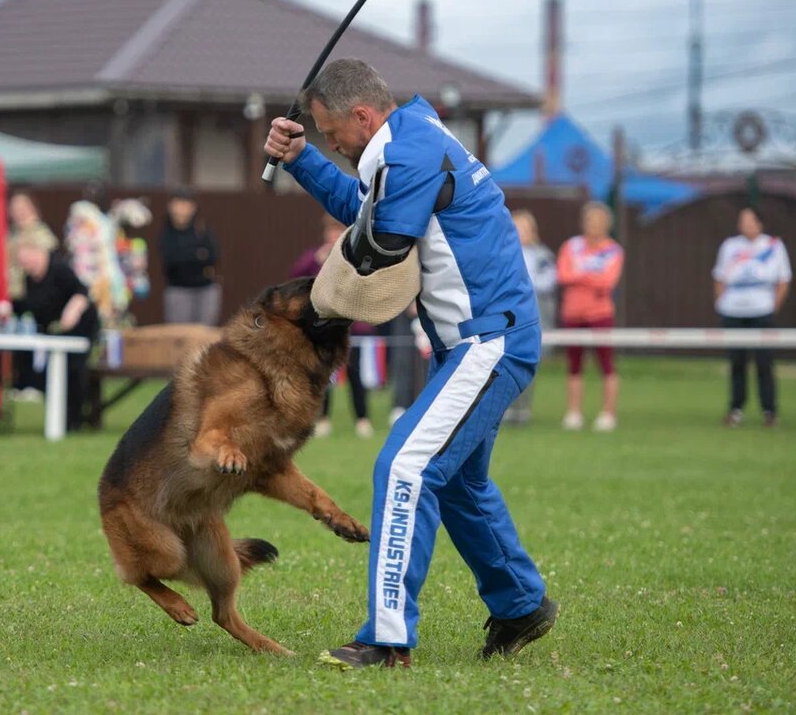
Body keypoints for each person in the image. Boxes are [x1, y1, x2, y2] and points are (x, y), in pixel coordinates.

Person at [266, 58, 554, 669]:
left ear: (362, 116)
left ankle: (388, 639)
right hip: (477, 343)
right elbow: (364, 207)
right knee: (461, 484)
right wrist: (301, 159)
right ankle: (521, 604)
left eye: (330, 133)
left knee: (405, 468)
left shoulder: (408, 155)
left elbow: (382, 243)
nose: (332, 143)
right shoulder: (406, 140)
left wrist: (325, 296)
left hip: (487, 343)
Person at [291, 215, 375, 439]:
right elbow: (296, 277)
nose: (334, 236)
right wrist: (316, 261)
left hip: (351, 326)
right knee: (324, 375)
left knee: (355, 374)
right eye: (331, 232)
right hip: (323, 326)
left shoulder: (356, 256)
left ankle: (362, 419)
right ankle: (323, 420)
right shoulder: (315, 256)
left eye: (338, 232)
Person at [712, 207, 791, 427]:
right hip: (733, 312)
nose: (745, 224)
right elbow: (719, 278)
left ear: (760, 223)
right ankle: (736, 409)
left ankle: (769, 411)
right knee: (737, 363)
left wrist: (772, 307)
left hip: (762, 312)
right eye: (742, 220)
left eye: (750, 220)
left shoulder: (773, 245)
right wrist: (722, 304)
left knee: (764, 363)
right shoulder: (730, 246)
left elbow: (783, 280)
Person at [12, 237, 100, 432]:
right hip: (54, 333)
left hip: (79, 328)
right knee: (47, 372)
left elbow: (81, 293)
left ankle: (74, 419)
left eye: (26, 259)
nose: (24, 264)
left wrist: (72, 311)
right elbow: (33, 308)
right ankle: (59, 417)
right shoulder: (29, 279)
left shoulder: (59, 269)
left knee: (73, 370)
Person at [557, 202, 624, 432]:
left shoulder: (613, 250)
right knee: (574, 364)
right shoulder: (571, 246)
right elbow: (563, 275)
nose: (593, 225)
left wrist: (580, 276)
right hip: (573, 313)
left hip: (600, 314)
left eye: (598, 220)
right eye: (590, 220)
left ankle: (608, 413)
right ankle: (574, 412)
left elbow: (607, 282)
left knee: (606, 364)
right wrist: (589, 276)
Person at [505, 210, 556, 425]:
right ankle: (506, 407)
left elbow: (548, 282)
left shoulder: (543, 255)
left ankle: (523, 408)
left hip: (534, 315)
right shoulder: (503, 254)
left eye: (524, 228)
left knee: (527, 363)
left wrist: (524, 284)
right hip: (508, 318)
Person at [159, 188, 221, 325]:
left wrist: (186, 255)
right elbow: (171, 260)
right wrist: (197, 254)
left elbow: (213, 256)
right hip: (178, 290)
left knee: (205, 333)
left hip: (205, 289)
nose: (182, 209)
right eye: (178, 203)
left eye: (186, 204)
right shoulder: (167, 232)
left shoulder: (202, 228)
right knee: (180, 333)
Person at [6, 193, 58, 300]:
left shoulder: (42, 233)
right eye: (15, 209)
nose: (19, 213)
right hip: (16, 293)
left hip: (41, 291)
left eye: (22, 208)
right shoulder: (11, 237)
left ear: (32, 208)